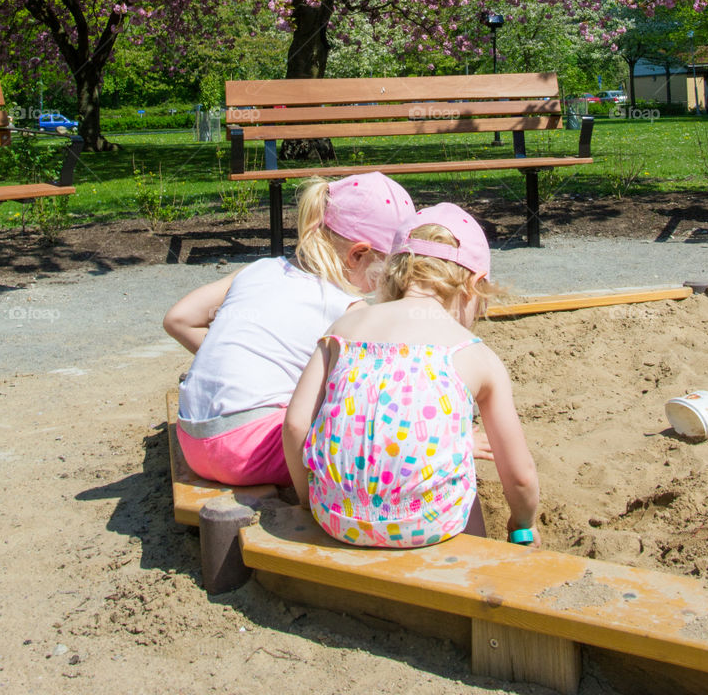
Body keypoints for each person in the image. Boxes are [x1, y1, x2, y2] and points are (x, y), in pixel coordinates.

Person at [283, 203, 540, 548]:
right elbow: (520, 477)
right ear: (475, 286)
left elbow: (296, 426)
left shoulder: (343, 329)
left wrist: (307, 500)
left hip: (335, 517)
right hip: (428, 525)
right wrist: (521, 524)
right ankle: (473, 558)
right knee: (463, 481)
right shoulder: (472, 353)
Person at [162, 172, 415, 487]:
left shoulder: (260, 269)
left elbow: (178, 318)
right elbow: (376, 396)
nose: (393, 281)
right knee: (366, 435)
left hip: (193, 437)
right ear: (358, 255)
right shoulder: (348, 309)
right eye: (391, 268)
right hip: (250, 451)